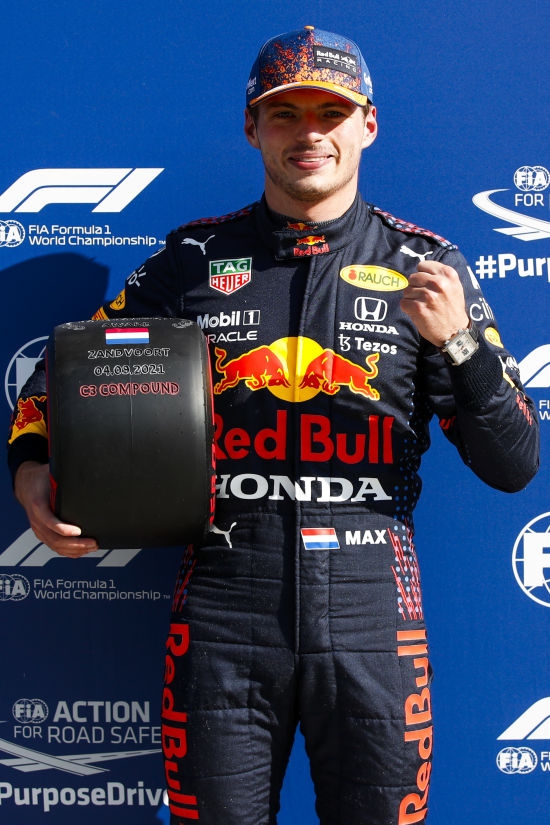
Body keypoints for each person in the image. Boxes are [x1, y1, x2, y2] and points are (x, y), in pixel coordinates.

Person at [8, 25, 539, 825]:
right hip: (224, 612)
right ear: (252, 127)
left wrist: (459, 343)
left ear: (368, 125)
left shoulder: (427, 266)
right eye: (285, 113)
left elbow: (515, 462)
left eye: (332, 112)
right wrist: (30, 469)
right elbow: (66, 371)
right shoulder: (193, 259)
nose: (310, 132)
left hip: (374, 620)